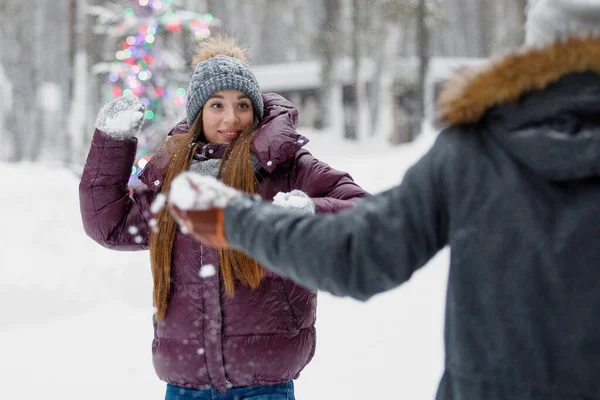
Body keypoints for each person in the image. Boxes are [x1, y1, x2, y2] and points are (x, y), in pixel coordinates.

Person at [163, 2, 600, 399]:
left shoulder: (476, 151)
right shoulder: (474, 151)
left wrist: (237, 218)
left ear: (538, 51)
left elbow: (359, 251)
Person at [78, 35, 368, 400]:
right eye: (217, 105)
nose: (231, 118)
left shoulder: (285, 166)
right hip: (187, 384)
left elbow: (363, 211)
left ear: (256, 110)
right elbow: (110, 225)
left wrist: (308, 213)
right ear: (198, 113)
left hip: (264, 382)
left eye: (242, 104)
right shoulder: (175, 178)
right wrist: (112, 143)